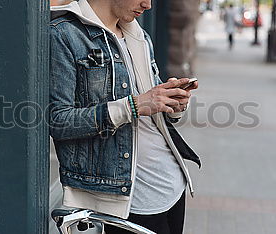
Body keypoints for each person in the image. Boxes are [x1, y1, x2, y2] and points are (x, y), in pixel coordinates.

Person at [49, 0, 201, 233]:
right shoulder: (64, 34)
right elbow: (59, 121)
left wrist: (173, 103)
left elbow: (150, 108)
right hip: (127, 198)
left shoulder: (138, 35)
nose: (147, 5)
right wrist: (134, 105)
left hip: (172, 186)